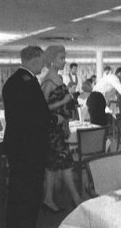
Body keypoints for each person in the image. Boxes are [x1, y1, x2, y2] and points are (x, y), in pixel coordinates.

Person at [3, 46, 61, 228]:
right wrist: (54, 119)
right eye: (42, 60)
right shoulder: (28, 81)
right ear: (34, 59)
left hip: (17, 146)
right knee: (30, 192)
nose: (44, 64)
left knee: (17, 190)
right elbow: (38, 115)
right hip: (30, 148)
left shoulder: (13, 81)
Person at [41, 45, 82, 211]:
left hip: (59, 129)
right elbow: (41, 108)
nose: (65, 61)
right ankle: (76, 197)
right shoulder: (48, 80)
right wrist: (64, 102)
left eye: (65, 57)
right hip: (52, 130)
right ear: (52, 60)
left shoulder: (56, 78)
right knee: (65, 162)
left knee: (53, 165)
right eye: (61, 58)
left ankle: (48, 198)